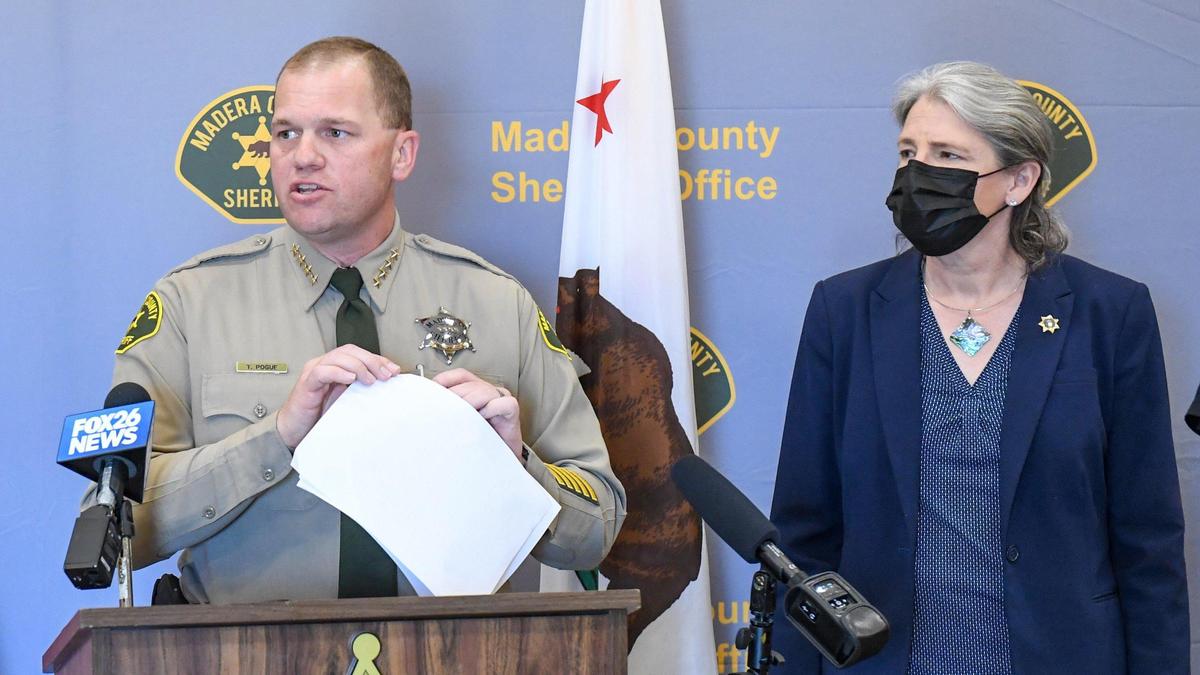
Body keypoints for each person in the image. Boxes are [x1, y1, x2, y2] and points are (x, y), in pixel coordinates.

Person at [91, 36, 625, 604]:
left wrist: (516, 466)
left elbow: (596, 532)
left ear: (402, 154)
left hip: (453, 655)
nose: (303, 156)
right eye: (286, 133)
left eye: (335, 132)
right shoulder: (190, 304)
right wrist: (276, 440)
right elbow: (118, 528)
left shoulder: (497, 303)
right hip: (247, 657)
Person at [770, 61, 1188, 673]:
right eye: (908, 153)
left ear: (1020, 180)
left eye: (948, 155)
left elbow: (1147, 540)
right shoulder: (846, 310)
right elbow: (802, 532)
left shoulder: (1111, 314)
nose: (919, 176)